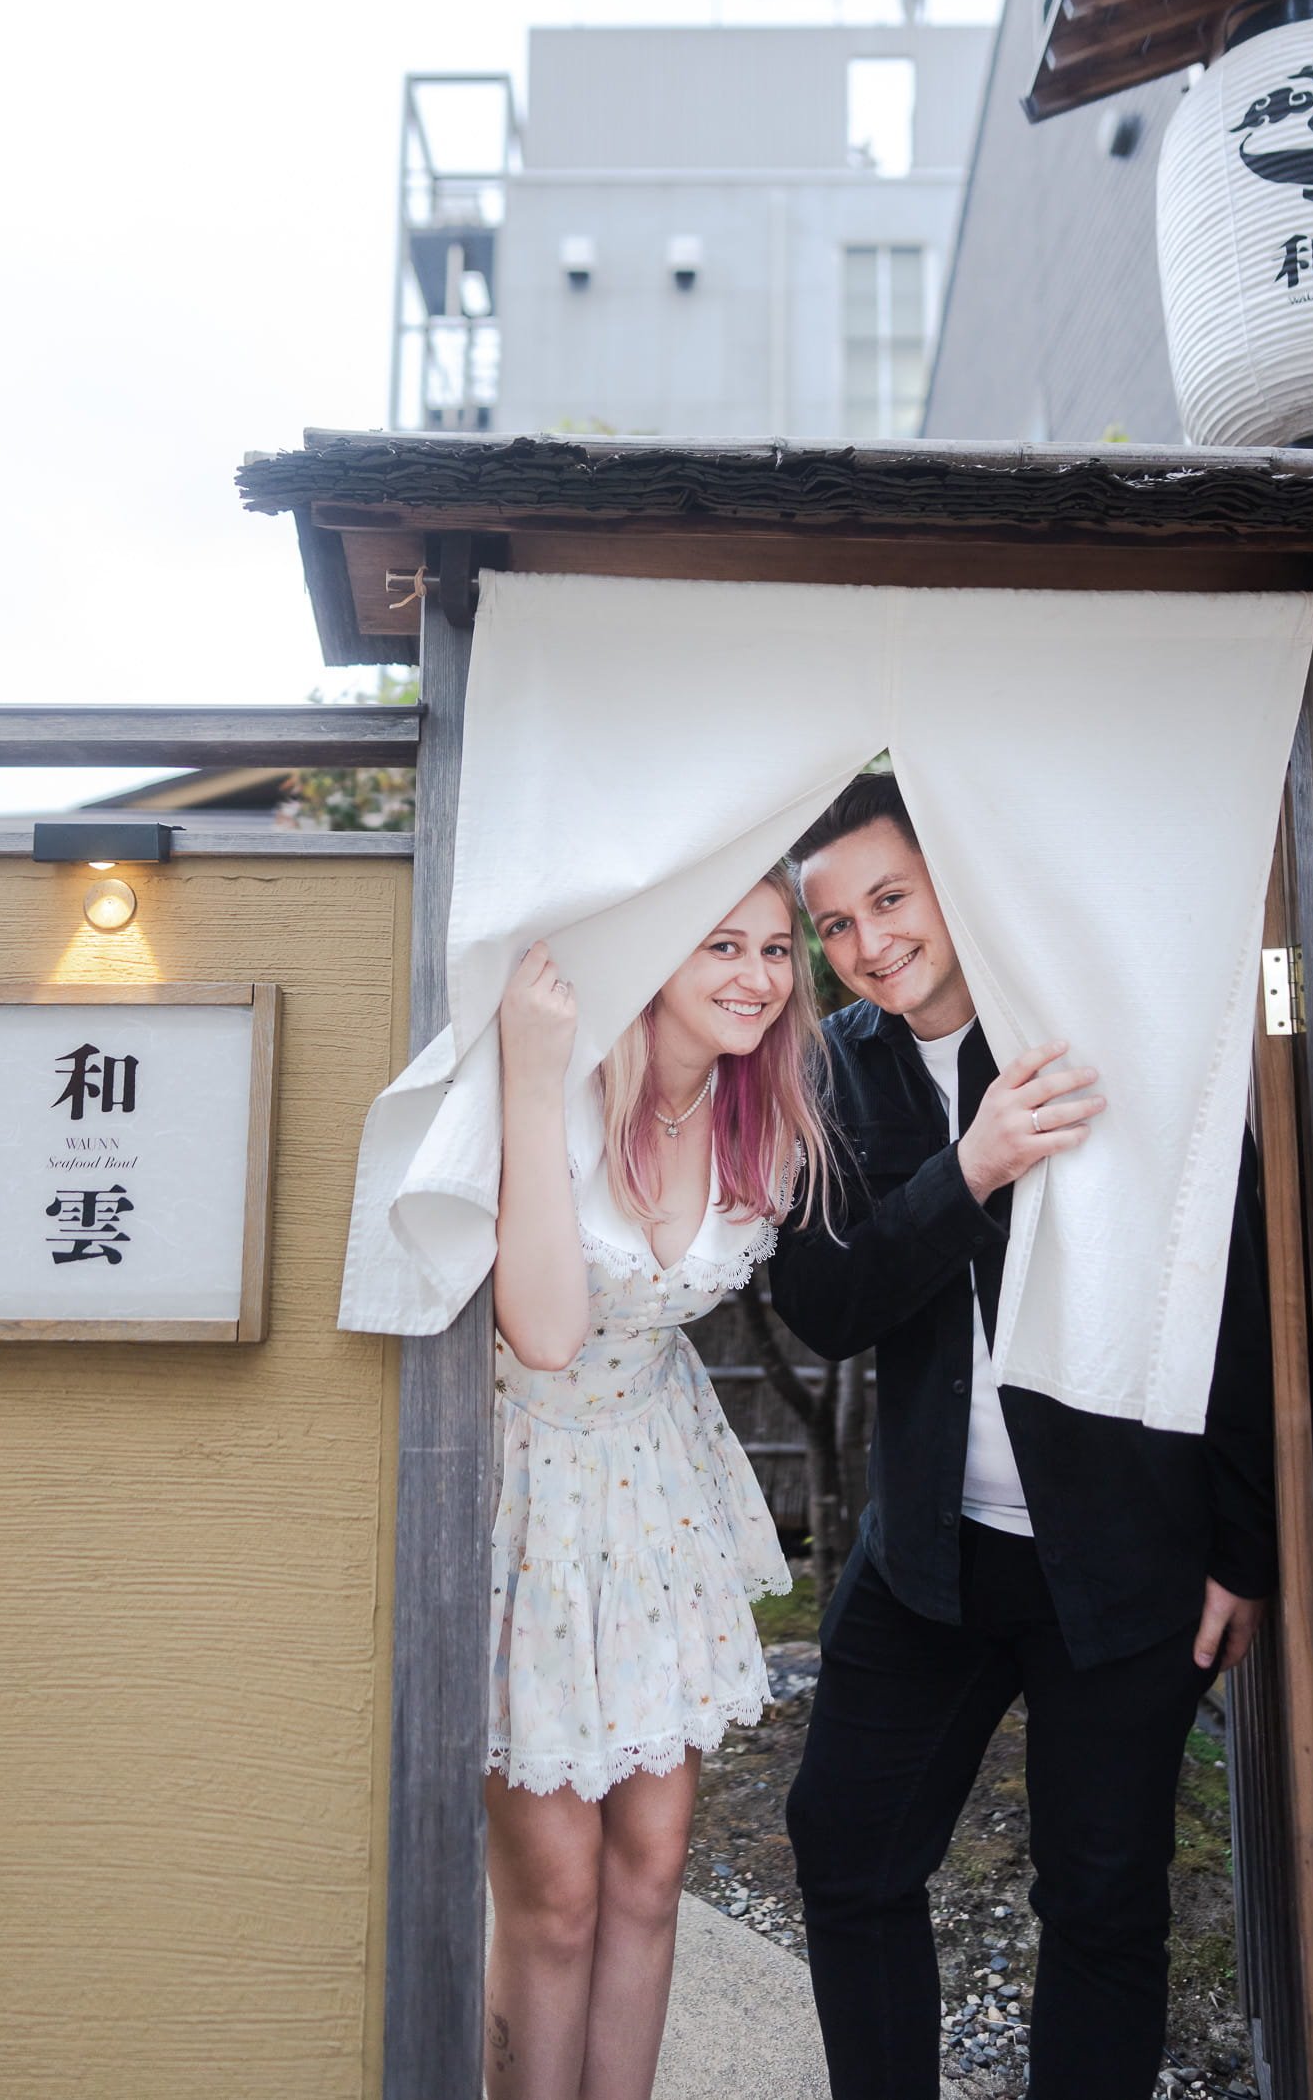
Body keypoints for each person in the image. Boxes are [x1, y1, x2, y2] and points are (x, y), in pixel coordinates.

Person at [769, 772, 1275, 2100]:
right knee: (844, 1841)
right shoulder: (830, 1072)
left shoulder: (1089, 1026)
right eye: (834, 924)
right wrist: (971, 1170)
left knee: (1104, 1897)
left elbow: (1230, 1288)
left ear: (952, 877)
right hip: (930, 1549)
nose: (870, 942)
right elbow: (822, 1303)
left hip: (1120, 1557)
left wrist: (1245, 1547)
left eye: (890, 897)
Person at [486, 864, 833, 2100]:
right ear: (656, 957)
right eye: (720, 948)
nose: (756, 978)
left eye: (777, 950)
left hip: (657, 1482)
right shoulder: (566, 1093)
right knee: (559, 1893)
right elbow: (540, 1329)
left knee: (652, 1864)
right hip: (530, 1491)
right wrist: (532, 1078)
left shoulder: (767, 1116)